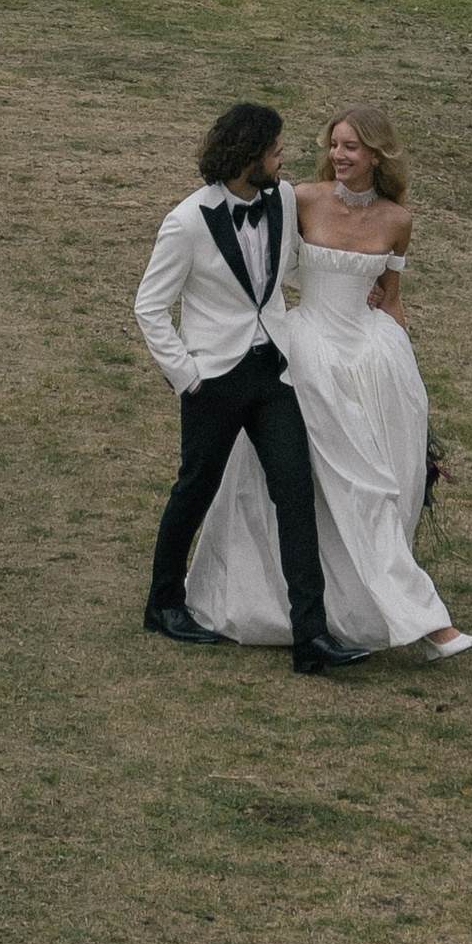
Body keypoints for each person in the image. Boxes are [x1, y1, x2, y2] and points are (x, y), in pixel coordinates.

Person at [186, 105, 472, 662]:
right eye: (334, 145)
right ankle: (428, 620)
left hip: (370, 357)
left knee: (382, 478)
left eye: (351, 147)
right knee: (356, 484)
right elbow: (255, 255)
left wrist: (408, 387)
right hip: (308, 351)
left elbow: (391, 301)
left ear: (376, 154)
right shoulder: (302, 199)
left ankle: (361, 608)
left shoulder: (397, 220)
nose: (339, 156)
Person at [133, 101, 371, 676]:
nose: (284, 159)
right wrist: (187, 377)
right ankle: (163, 603)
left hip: (274, 374)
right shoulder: (187, 221)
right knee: (195, 488)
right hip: (213, 381)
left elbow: (292, 265)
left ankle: (310, 638)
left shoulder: (283, 200)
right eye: (275, 151)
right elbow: (149, 307)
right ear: (247, 157)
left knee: (295, 495)